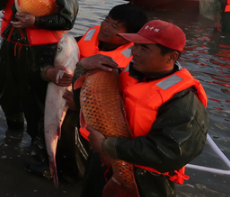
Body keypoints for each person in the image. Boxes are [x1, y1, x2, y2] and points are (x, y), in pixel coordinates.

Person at [78, 21, 209, 197]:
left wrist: (107, 145)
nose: (135, 52)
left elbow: (170, 151)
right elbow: (82, 100)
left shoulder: (184, 102)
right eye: (136, 45)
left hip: (146, 181)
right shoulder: (122, 73)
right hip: (103, 163)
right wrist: (82, 66)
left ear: (171, 57)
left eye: (145, 48)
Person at [0, 0, 78, 175]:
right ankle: (12, 133)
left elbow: (67, 20)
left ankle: (39, 147)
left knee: (36, 101)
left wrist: (36, 21)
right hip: (10, 47)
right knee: (8, 94)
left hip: (39, 52)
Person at [56, 4, 148, 181]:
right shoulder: (90, 36)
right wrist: (49, 71)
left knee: (80, 149)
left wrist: (79, 104)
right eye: (106, 20)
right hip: (71, 96)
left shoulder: (133, 63)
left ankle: (76, 176)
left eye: (115, 26)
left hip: (97, 113)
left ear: (130, 36)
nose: (105, 27)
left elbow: (122, 101)